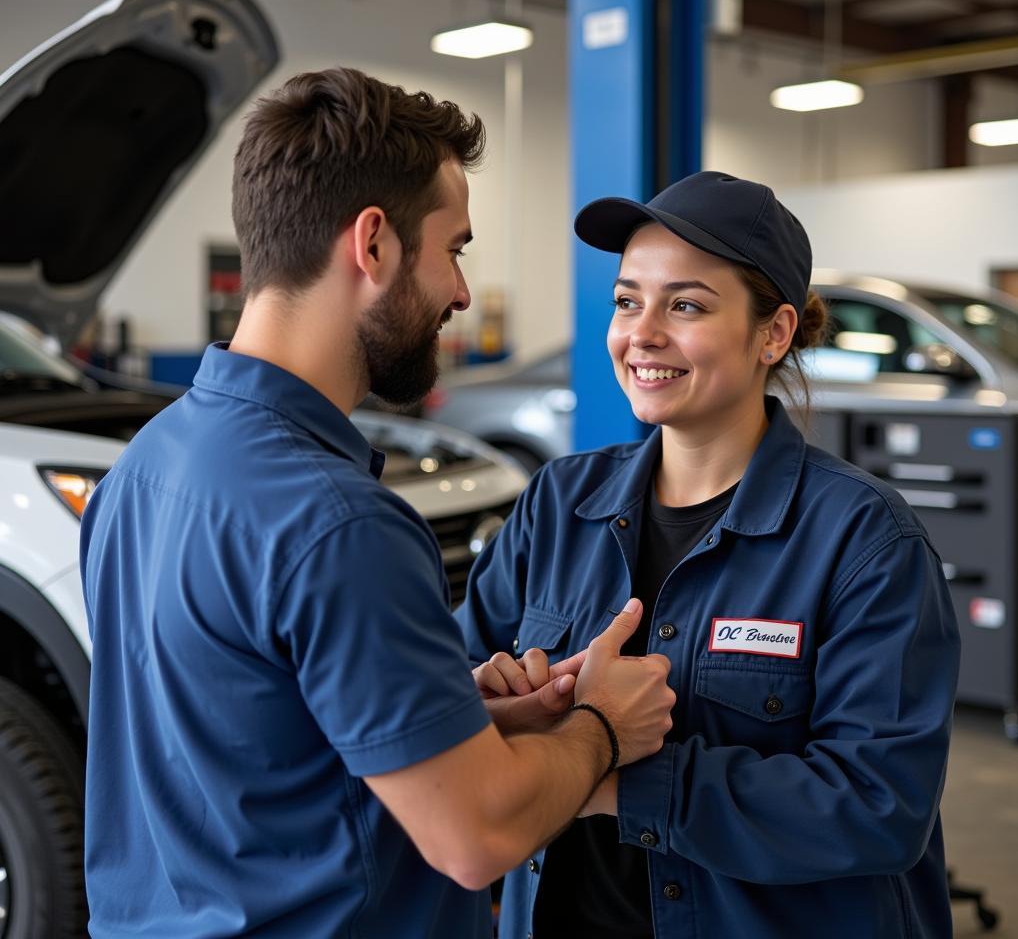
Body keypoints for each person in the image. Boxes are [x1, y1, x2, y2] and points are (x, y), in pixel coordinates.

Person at [79, 67, 676, 938]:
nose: (463, 294)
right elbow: (479, 835)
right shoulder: (339, 524)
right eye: (455, 249)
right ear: (374, 244)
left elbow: (233, 735)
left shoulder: (143, 469)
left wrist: (448, 708)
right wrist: (601, 727)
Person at [457, 170, 961, 939]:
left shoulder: (864, 542)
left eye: (685, 304)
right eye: (628, 300)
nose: (642, 333)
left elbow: (878, 807)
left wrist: (597, 769)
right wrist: (492, 697)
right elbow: (447, 697)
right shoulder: (556, 506)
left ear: (774, 333)